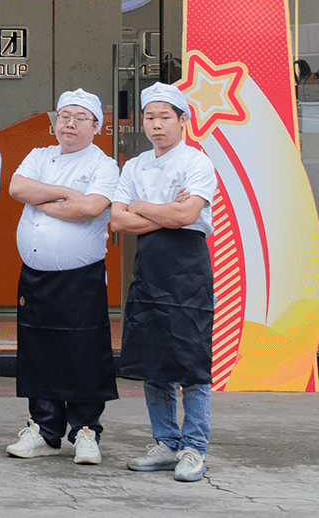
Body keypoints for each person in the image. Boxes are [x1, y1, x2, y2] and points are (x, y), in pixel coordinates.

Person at [3, 89, 118, 466]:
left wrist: (41, 201)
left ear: (96, 126)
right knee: (38, 350)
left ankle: (85, 430)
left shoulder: (104, 165)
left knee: (83, 351)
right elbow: (17, 188)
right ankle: (43, 429)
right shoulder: (39, 155)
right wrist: (66, 194)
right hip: (35, 277)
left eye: (80, 118)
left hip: (80, 278)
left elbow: (90, 208)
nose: (70, 123)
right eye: (64, 116)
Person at [110, 83, 218, 484]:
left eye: (165, 117)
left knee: (191, 362)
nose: (156, 125)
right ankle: (165, 442)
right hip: (149, 268)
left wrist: (141, 206)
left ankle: (194, 447)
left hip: (188, 270)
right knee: (154, 361)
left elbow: (187, 217)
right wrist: (166, 210)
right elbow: (118, 220)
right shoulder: (134, 165)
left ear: (183, 120)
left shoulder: (197, 162)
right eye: (150, 117)